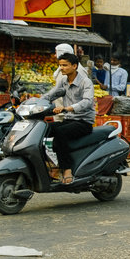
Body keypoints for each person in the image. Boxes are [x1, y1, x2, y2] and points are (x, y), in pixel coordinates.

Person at [41, 52, 95, 184]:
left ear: (74, 66)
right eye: (60, 65)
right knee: (42, 130)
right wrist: (35, 103)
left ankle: (67, 169)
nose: (62, 68)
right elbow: (50, 95)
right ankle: (52, 165)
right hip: (69, 120)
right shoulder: (63, 81)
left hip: (83, 122)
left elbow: (87, 101)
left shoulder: (85, 82)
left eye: (65, 65)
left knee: (59, 133)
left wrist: (67, 108)